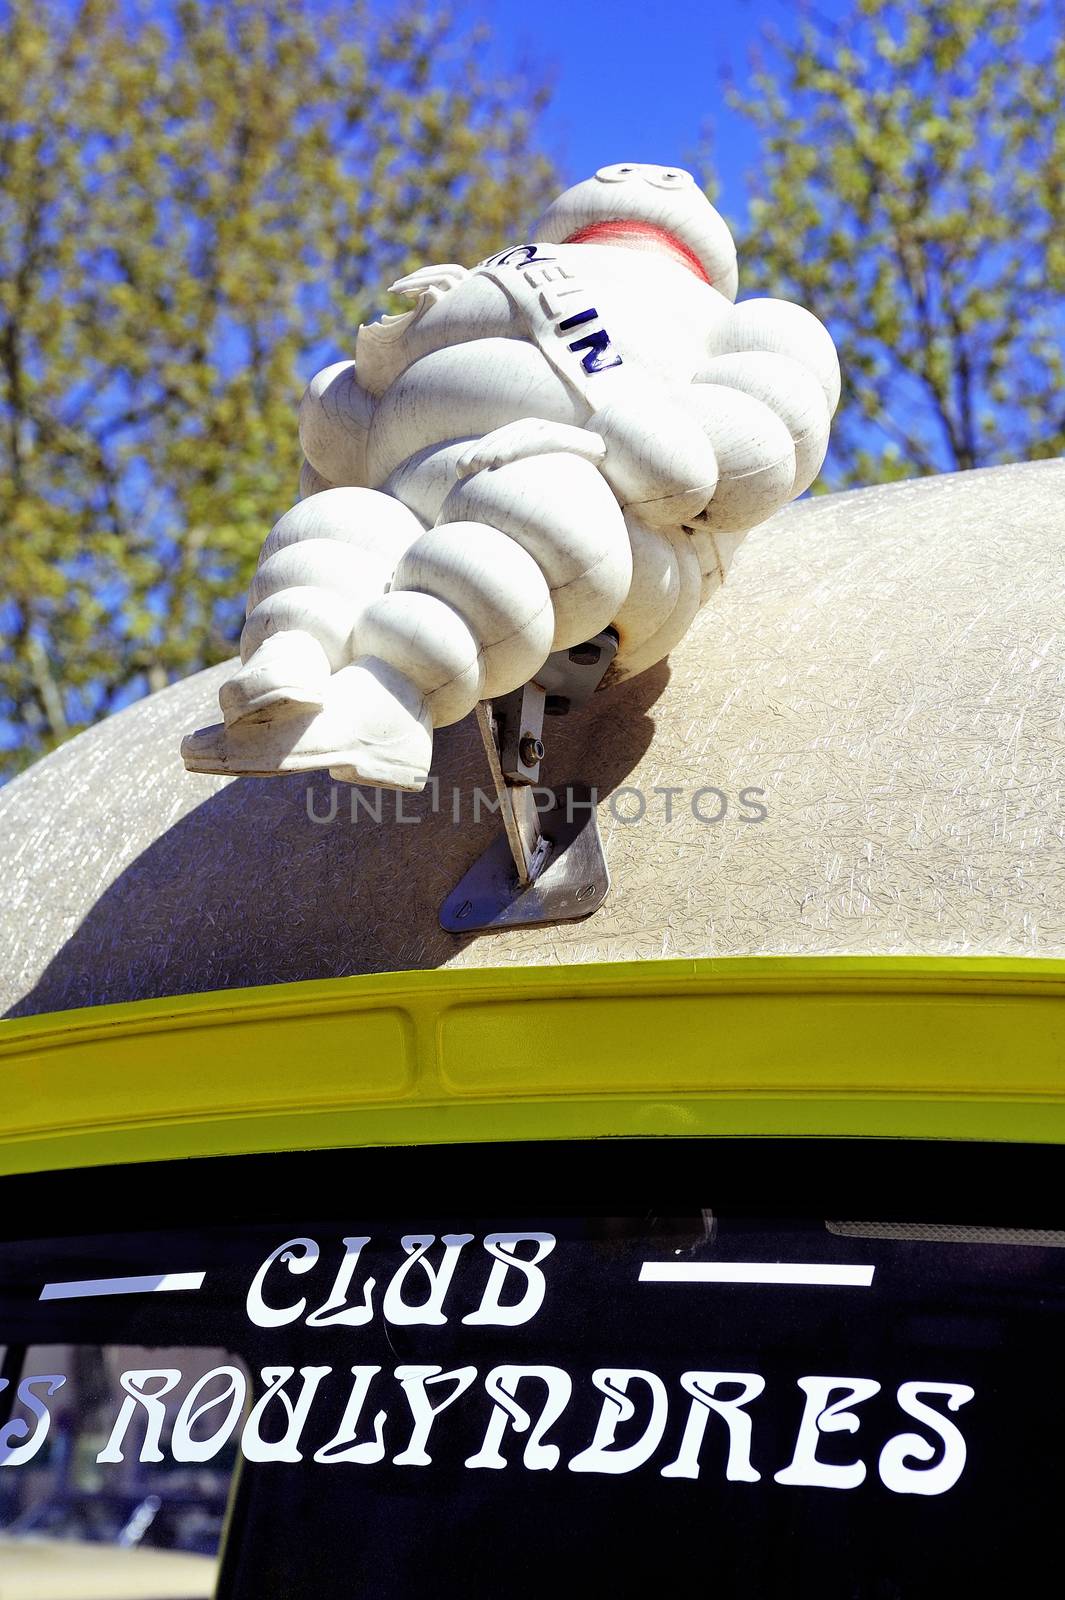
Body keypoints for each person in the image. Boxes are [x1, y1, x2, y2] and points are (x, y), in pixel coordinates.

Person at [182, 163, 839, 791]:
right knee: (336, 526)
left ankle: (389, 698)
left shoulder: (737, 320)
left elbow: (758, 436)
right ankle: (294, 659)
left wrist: (649, 446)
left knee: (534, 507)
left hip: (616, 525)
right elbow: (336, 429)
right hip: (416, 493)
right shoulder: (479, 277)